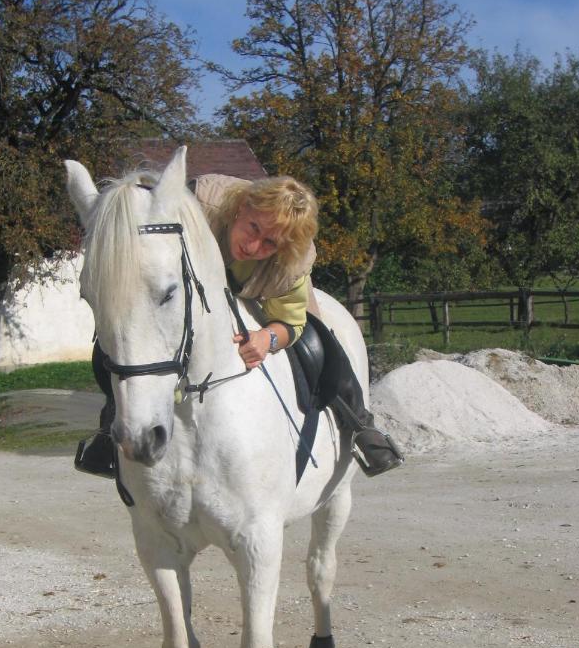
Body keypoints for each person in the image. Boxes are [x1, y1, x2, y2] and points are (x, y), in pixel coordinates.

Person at [75, 172, 402, 478]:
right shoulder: (201, 203)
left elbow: (291, 321)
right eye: (253, 228)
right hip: (190, 293)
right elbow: (147, 204)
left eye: (269, 244)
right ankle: (110, 425)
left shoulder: (292, 259)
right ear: (243, 207)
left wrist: (268, 338)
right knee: (120, 337)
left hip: (260, 293)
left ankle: (359, 422)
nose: (253, 246)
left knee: (318, 340)